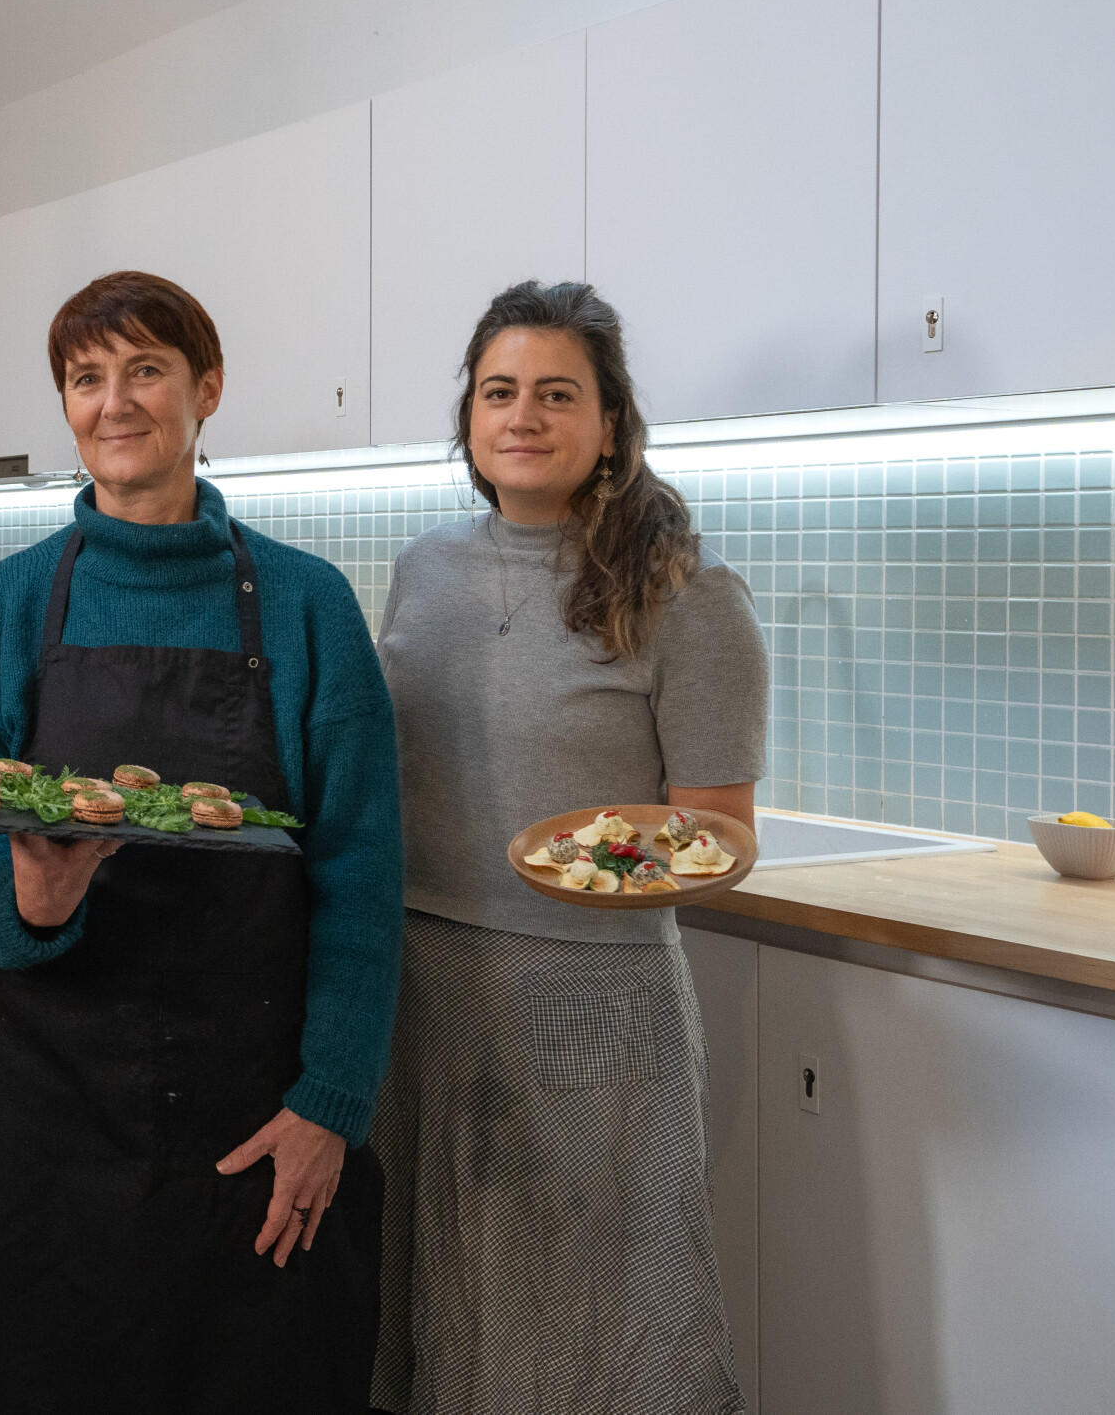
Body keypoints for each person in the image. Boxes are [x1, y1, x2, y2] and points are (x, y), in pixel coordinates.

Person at [0, 271, 404, 1410]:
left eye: (144, 369)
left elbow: (362, 875)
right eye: (86, 377)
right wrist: (33, 897)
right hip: (46, 1109)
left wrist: (331, 1099)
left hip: (252, 1105)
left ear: (208, 388)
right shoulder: (3, 606)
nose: (113, 401)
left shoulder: (303, 604)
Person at [370, 281, 765, 1415]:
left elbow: (721, 835)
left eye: (556, 393)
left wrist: (590, 860)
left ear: (608, 423)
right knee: (441, 1287)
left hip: (590, 990)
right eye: (499, 391)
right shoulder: (424, 568)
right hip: (423, 980)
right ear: (470, 418)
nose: (523, 415)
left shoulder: (683, 593)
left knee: (592, 1306)